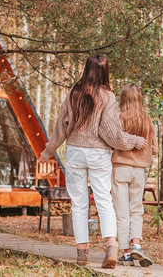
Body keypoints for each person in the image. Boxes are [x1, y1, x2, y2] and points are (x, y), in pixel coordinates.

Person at [39, 55, 147, 269]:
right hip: (98, 154)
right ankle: (111, 247)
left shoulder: (73, 93)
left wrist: (47, 151)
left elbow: (62, 127)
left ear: (86, 69)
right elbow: (111, 134)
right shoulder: (107, 97)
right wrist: (134, 141)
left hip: (75, 152)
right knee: (104, 201)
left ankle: (82, 253)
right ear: (105, 72)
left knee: (79, 204)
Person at [110, 84, 158, 267]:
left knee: (121, 212)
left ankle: (126, 252)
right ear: (140, 98)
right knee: (136, 210)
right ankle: (136, 243)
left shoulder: (117, 118)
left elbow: (113, 141)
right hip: (139, 171)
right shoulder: (147, 120)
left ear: (123, 98)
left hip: (120, 168)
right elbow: (154, 149)